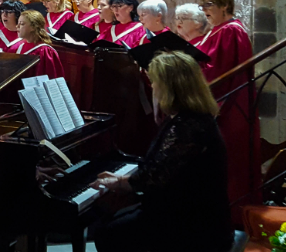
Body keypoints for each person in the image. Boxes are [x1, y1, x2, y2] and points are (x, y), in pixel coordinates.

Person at [91, 51, 231, 252]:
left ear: (171, 87)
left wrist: (121, 182)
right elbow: (161, 168)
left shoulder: (188, 127)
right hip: (183, 211)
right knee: (110, 223)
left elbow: (155, 177)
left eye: (155, 82)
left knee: (109, 233)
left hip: (195, 226)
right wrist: (123, 180)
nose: (152, 86)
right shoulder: (187, 119)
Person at [195, 0, 256, 209]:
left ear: (225, 5)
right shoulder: (216, 29)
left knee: (230, 158)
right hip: (217, 98)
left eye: (209, 5)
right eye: (203, 5)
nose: (204, 10)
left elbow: (218, 68)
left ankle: (233, 211)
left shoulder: (231, 30)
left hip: (229, 103)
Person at [11, 11, 64, 79]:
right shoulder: (21, 47)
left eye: (22, 24)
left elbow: (48, 76)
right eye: (18, 23)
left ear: (33, 27)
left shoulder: (44, 50)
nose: (17, 26)